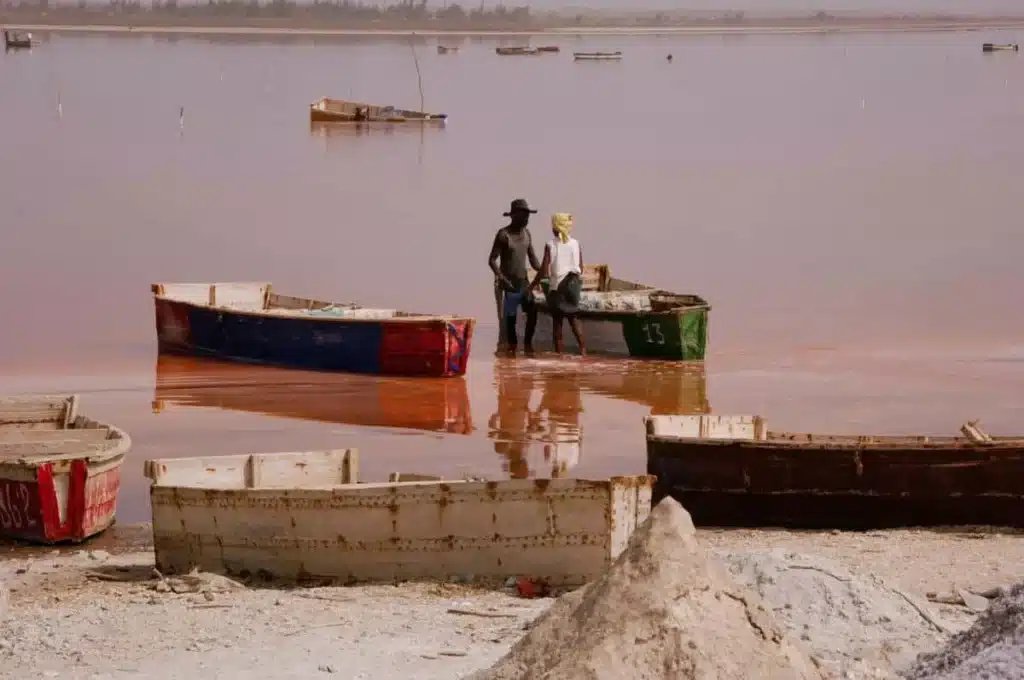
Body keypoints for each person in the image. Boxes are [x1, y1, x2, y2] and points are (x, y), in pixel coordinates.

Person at [488, 198, 542, 354]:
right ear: (513, 216)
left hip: (523, 282)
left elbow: (532, 258)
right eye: (523, 215)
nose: (526, 219)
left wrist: (544, 271)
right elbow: (492, 260)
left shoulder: (527, 234)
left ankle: (527, 344)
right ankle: (511, 348)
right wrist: (501, 278)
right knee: (510, 319)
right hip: (509, 284)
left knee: (532, 310)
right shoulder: (503, 235)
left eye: (528, 215)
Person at [530, 212, 586, 355]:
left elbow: (544, 270)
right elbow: (581, 267)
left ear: (556, 227)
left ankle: (559, 355)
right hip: (574, 284)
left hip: (559, 286)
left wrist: (532, 285)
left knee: (558, 322)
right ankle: (583, 351)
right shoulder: (576, 243)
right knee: (573, 318)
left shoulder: (551, 245)